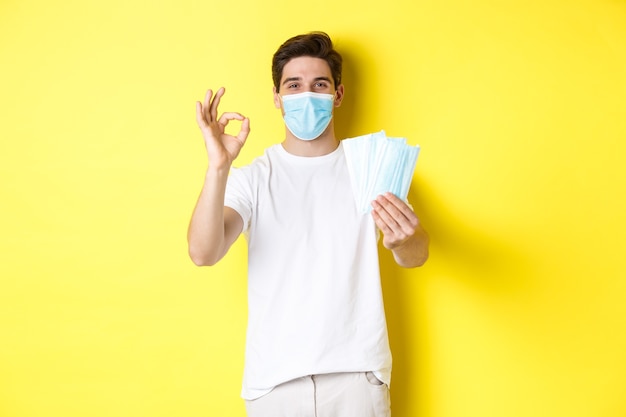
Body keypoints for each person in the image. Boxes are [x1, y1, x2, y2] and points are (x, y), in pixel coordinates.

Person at [187, 31, 429, 417]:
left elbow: (415, 256)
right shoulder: (252, 178)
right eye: (293, 85)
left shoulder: (371, 166)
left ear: (338, 94)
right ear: (277, 98)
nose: (306, 94)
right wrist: (219, 167)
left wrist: (405, 240)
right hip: (274, 384)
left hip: (357, 378)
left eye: (319, 84)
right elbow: (203, 252)